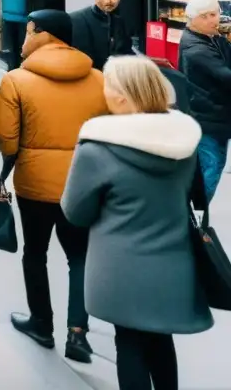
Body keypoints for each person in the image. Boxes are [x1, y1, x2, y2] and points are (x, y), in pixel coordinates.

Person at [60, 56, 210, 389]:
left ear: (125, 95)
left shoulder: (98, 147)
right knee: (160, 341)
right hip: (174, 262)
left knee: (128, 343)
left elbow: (75, 211)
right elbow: (198, 196)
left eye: (109, 86)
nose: (104, 92)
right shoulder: (184, 142)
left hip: (119, 268)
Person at [0, 9, 107, 361]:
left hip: (35, 183)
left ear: (42, 34)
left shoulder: (16, 80)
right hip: (84, 182)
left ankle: (42, 323)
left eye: (28, 31)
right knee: (80, 256)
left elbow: (7, 140)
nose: (23, 38)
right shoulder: (99, 79)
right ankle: (78, 333)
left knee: (35, 253)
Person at [178, 0, 231, 200]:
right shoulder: (196, 48)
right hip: (209, 119)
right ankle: (194, 223)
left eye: (214, 14)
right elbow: (226, 76)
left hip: (214, 116)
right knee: (211, 169)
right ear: (193, 19)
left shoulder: (211, 37)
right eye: (205, 16)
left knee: (209, 168)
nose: (213, 20)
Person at [70, 0, 133, 71]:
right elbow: (81, 57)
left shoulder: (119, 21)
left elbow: (126, 50)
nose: (108, 1)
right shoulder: (77, 19)